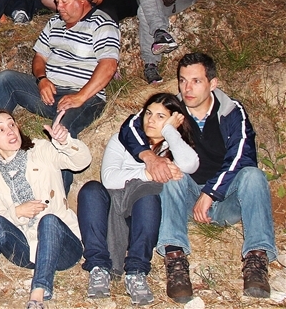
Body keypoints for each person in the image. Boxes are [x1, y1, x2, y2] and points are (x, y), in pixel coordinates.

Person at [118, 52, 276, 302]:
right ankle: (175, 258)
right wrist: (150, 157)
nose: (187, 88)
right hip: (187, 197)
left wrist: (211, 193)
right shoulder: (173, 108)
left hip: (225, 200)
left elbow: (242, 156)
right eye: (182, 80)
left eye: (196, 81)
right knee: (171, 172)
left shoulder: (231, 111)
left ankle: (256, 259)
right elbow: (129, 127)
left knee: (253, 175)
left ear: (212, 83)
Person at [0, 0, 119, 192]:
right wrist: (41, 79)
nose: (58, 6)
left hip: (86, 96)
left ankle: (57, 197)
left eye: (64, 1)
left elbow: (109, 66)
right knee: (6, 79)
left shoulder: (102, 23)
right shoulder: (55, 22)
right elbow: (39, 57)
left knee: (61, 130)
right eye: (57, 1)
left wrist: (80, 96)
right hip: (51, 90)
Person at [0, 110, 91, 309]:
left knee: (48, 220)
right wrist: (18, 212)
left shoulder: (40, 149)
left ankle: (38, 296)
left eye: (12, 124)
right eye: (1, 129)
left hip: (62, 248)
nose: (10, 131)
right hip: (26, 249)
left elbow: (81, 162)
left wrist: (65, 141)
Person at [77, 93, 198, 304]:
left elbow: (189, 165)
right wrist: (149, 173)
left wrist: (170, 132)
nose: (151, 120)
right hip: (113, 206)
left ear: (173, 121)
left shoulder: (173, 148)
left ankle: (136, 271)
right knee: (90, 190)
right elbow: (109, 179)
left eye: (161, 116)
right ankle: (99, 268)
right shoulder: (123, 139)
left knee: (148, 196)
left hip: (143, 217)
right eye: (148, 113)